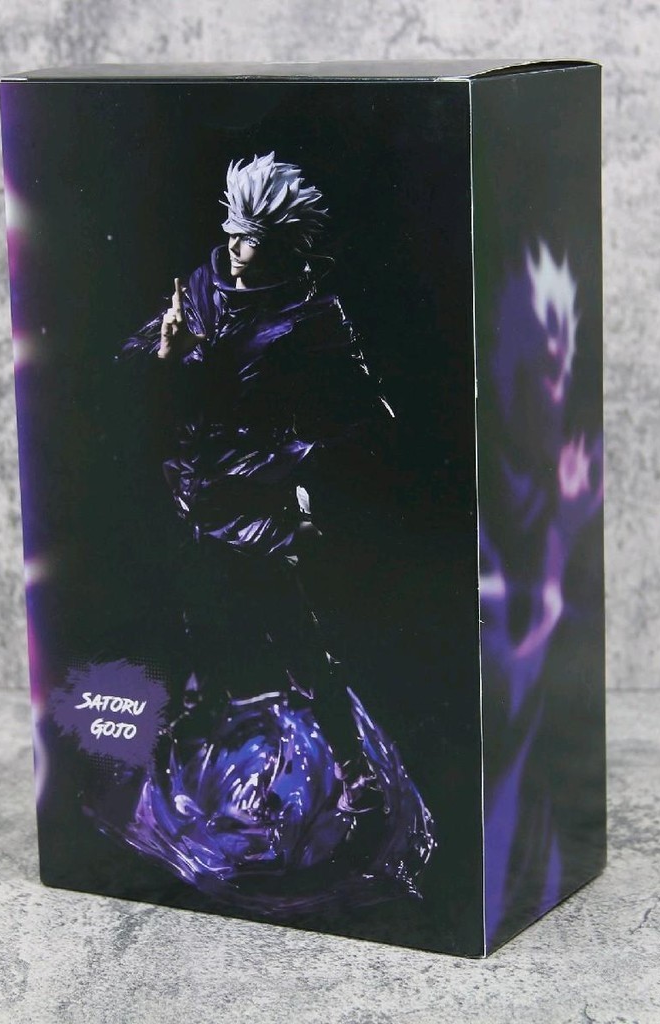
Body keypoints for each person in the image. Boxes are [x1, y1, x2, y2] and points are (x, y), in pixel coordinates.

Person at [120, 152, 393, 807]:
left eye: (255, 240)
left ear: (283, 246)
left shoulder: (312, 313)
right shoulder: (202, 288)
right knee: (188, 624)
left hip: (260, 495)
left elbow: (366, 412)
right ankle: (188, 747)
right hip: (190, 486)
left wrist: (305, 463)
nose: (238, 250)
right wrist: (166, 353)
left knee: (297, 635)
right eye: (235, 233)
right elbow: (138, 370)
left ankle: (353, 768)